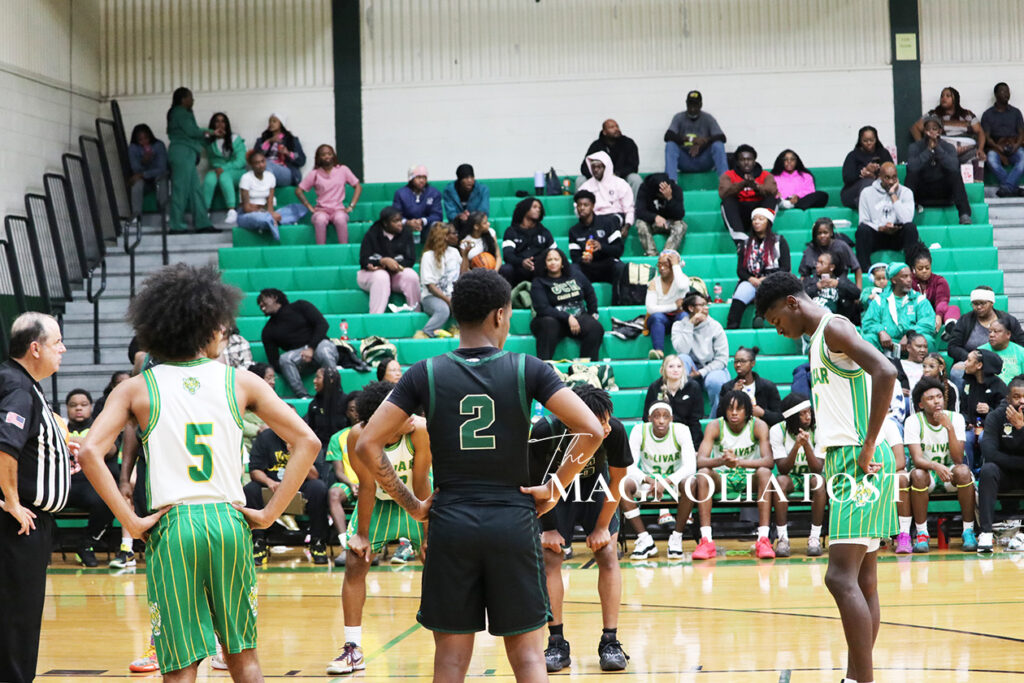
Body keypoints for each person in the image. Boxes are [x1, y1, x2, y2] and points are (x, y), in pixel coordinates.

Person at [352, 268, 605, 682]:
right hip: (513, 521)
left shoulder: (424, 372)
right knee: (528, 657)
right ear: (500, 315)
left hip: (451, 523)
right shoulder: (528, 368)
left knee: (451, 661)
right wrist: (555, 486)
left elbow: (367, 444)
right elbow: (593, 430)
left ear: (456, 314)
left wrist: (413, 505)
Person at [77, 263, 321, 681]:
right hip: (228, 521)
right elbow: (308, 443)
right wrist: (269, 514)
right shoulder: (241, 381)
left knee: (180, 664)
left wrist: (130, 522)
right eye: (221, 326)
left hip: (172, 525)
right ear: (205, 327)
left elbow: (88, 453)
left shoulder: (136, 387)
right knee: (243, 656)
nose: (224, 333)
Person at [755, 271, 898, 683]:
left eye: (776, 320)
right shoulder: (818, 339)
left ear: (792, 303)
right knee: (863, 580)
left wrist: (869, 443)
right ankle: (855, 677)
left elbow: (886, 371)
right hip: (844, 459)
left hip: (860, 459)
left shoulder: (834, 327)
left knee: (838, 577)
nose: (778, 330)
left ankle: (860, 680)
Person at [325, 381, 432, 675]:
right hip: (379, 504)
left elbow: (421, 481)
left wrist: (428, 533)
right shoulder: (358, 436)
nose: (411, 415)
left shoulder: (420, 430)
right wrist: (361, 535)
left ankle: (448, 640)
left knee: (437, 560)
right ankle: (352, 649)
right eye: (403, 411)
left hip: (417, 500)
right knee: (355, 562)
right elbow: (367, 487)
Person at [529, 385, 632, 673]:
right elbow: (534, 483)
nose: (606, 428)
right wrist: (549, 528)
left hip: (595, 488)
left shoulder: (614, 430)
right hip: (553, 491)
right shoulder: (545, 431)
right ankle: (556, 643)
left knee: (608, 553)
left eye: (607, 419)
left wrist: (602, 526)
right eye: (600, 422)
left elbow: (617, 481)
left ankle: (610, 642)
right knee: (551, 557)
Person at [0, 313, 70, 683]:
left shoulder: (23, 383)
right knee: (18, 618)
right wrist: (12, 501)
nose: (63, 349)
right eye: (57, 342)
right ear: (35, 348)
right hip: (18, 524)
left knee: (20, 616)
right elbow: (5, 446)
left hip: (29, 523)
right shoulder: (18, 387)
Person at [691, 390, 776, 559]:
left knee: (765, 473)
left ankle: (763, 539)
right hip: (722, 478)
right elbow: (700, 460)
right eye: (730, 408)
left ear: (747, 411)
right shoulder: (715, 426)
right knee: (703, 473)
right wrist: (722, 461)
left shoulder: (759, 426)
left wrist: (738, 462)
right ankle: (706, 540)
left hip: (749, 478)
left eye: (739, 409)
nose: (734, 413)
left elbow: (768, 461)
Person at [905, 377, 977, 553]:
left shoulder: (956, 418)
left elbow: (958, 459)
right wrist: (935, 466)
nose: (936, 401)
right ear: (921, 404)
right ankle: (922, 534)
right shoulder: (913, 421)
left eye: (939, 397)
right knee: (917, 475)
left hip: (950, 473)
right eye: (930, 398)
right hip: (927, 473)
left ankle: (968, 531)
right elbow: (917, 460)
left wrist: (949, 428)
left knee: (963, 471)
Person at [243, 423, 330, 564]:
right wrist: (269, 482)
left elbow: (315, 476)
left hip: (300, 486)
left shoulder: (307, 438)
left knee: (318, 488)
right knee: (250, 489)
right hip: (271, 487)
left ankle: (317, 541)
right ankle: (258, 542)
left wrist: (297, 453)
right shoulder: (265, 437)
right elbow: (255, 471)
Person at [621, 402, 697, 560]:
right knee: (623, 485)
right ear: (649, 419)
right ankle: (644, 539)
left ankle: (676, 538)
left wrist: (666, 482)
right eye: (657, 416)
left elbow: (691, 466)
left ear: (671, 419)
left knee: (690, 483)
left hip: (673, 482)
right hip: (649, 482)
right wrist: (649, 480)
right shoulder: (639, 430)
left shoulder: (681, 430)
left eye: (665, 416)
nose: (661, 421)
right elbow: (629, 465)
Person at [63, 389, 117, 567]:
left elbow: (111, 450)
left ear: (91, 407)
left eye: (83, 405)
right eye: (73, 405)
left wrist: (80, 442)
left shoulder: (99, 427)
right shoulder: (59, 428)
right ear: (67, 408)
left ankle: (86, 544)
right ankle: (45, 545)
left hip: (90, 484)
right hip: (63, 484)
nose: (78, 408)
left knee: (108, 501)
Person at [769, 392, 825, 557]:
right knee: (780, 481)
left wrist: (806, 445)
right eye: (802, 413)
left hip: (811, 477)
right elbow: (783, 469)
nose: (808, 416)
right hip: (791, 478)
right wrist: (796, 447)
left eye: (809, 411)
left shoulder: (819, 429)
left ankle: (814, 537)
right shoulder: (777, 430)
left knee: (819, 481)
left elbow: (817, 469)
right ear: (792, 417)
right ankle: (783, 538)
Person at [257, 288, 339, 399]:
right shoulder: (268, 330)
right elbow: (274, 361)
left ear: (274, 297)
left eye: (263, 300)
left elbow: (322, 324)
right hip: (299, 359)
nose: (261, 305)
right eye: (259, 304)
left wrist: (311, 348)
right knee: (284, 359)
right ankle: (303, 395)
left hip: (319, 345)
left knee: (324, 350)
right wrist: (293, 369)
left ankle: (334, 390)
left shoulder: (300, 306)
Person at [530, 248, 603, 361]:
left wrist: (593, 311)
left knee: (596, 328)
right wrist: (567, 317)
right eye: (549, 260)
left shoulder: (576, 275)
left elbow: (590, 292)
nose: (553, 262)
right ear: (544, 264)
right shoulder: (538, 282)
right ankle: (544, 365)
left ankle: (585, 366)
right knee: (548, 324)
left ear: (562, 262)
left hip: (578, 316)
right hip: (553, 320)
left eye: (556, 259)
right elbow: (542, 308)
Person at [978, 376, 1024, 552]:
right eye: (1017, 397)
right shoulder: (995, 417)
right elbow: (989, 454)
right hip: (1003, 474)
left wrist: (1021, 428)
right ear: (1008, 399)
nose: (1022, 401)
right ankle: (986, 533)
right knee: (987, 470)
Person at [671, 291, 730, 418]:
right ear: (691, 308)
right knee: (681, 359)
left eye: (706, 304)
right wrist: (690, 325)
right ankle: (682, 416)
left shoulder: (715, 326)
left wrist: (701, 372)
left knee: (716, 381)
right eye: (702, 305)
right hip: (690, 369)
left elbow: (722, 359)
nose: (706, 308)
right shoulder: (678, 326)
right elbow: (683, 350)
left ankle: (715, 420)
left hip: (712, 369)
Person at [727, 207, 789, 329]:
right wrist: (751, 279)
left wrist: (765, 279)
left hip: (773, 279)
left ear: (768, 222)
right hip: (752, 280)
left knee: (768, 290)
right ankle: (732, 327)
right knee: (739, 296)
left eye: (761, 219)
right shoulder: (745, 244)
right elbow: (740, 270)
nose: (756, 222)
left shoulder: (779, 241)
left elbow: (785, 267)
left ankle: (759, 317)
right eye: (754, 219)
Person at [905, 115, 972, 224]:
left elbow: (954, 166)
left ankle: (964, 214)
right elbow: (911, 167)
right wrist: (928, 151)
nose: (931, 132)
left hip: (943, 192)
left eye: (934, 129)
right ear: (924, 131)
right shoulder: (915, 147)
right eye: (928, 129)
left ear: (940, 131)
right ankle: (905, 217)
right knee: (911, 174)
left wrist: (937, 148)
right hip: (922, 193)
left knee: (955, 174)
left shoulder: (948, 147)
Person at [165, 87, 214, 233]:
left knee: (195, 190)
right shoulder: (180, 112)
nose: (193, 100)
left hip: (186, 153)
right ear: (183, 99)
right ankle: (176, 225)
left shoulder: (180, 112)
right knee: (180, 189)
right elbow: (192, 131)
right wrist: (211, 132)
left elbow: (192, 132)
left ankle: (202, 223)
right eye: (190, 97)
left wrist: (209, 134)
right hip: (182, 152)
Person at [947, 286, 1024, 378]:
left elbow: (1021, 342)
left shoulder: (1009, 320)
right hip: (973, 363)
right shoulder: (965, 320)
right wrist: (971, 358)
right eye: (975, 304)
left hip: (1006, 359)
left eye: (983, 303)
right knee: (957, 371)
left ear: (992, 303)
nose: (979, 307)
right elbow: (953, 347)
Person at [861, 262, 936, 357]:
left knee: (927, 340)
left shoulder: (919, 299)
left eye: (910, 276)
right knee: (868, 339)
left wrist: (910, 335)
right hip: (886, 344)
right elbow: (869, 322)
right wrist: (881, 331)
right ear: (893, 280)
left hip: (911, 343)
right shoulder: (880, 299)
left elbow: (927, 323)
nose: (909, 280)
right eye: (904, 277)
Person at [854, 162, 919, 270]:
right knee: (862, 230)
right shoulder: (866, 193)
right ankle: (864, 270)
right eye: (887, 178)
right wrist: (880, 227)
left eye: (894, 177)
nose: (891, 181)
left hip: (896, 235)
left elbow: (907, 219)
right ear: (880, 177)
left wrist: (893, 194)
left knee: (911, 228)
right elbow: (863, 221)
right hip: (877, 234)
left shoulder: (906, 192)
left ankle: (911, 269)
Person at [357, 206, 421, 315]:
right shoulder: (372, 234)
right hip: (372, 275)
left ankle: (416, 312)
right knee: (381, 276)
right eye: (395, 221)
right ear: (385, 223)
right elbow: (363, 260)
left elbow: (410, 260)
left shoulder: (406, 233)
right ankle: (376, 317)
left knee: (411, 275)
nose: (400, 224)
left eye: (400, 220)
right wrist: (382, 262)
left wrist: (392, 265)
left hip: (395, 274)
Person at [296, 144, 362, 245]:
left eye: (329, 154)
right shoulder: (315, 173)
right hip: (321, 210)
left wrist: (351, 206)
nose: (327, 156)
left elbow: (358, 186)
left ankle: (344, 249)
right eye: (323, 155)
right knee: (320, 220)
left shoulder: (343, 170)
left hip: (338, 209)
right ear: (318, 158)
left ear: (333, 155)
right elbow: (299, 190)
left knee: (340, 219)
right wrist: (308, 206)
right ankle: (321, 250)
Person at [236, 150, 308, 241]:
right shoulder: (246, 178)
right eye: (257, 163)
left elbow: (270, 206)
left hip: (265, 212)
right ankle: (275, 226)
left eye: (262, 161)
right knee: (260, 218)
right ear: (251, 165)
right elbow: (247, 208)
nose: (261, 165)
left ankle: (271, 222)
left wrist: (270, 213)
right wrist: (265, 211)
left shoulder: (270, 177)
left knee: (300, 209)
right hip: (248, 215)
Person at [324, 391, 361, 567]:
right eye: (352, 409)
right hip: (348, 483)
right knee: (333, 493)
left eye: (359, 408)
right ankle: (345, 544)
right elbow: (338, 471)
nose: (356, 413)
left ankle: (369, 544)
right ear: (347, 412)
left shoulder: (376, 433)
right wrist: (351, 484)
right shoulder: (337, 438)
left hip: (372, 484)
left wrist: (366, 484)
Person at [417, 223, 469, 338]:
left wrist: (465, 255)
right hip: (431, 297)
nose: (457, 235)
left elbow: (464, 275)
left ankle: (459, 332)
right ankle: (426, 333)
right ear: (445, 236)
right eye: (454, 233)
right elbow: (431, 286)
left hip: (452, 295)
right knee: (443, 310)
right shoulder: (428, 256)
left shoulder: (454, 252)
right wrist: (448, 301)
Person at [910, 86, 987, 164]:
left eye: (948, 96)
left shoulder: (967, 114)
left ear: (955, 99)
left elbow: (980, 132)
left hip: (968, 150)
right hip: (944, 151)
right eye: (942, 96)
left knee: (979, 157)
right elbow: (914, 128)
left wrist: (980, 149)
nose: (944, 98)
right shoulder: (933, 114)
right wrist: (923, 146)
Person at [719, 144, 778, 244]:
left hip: (757, 215)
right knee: (727, 201)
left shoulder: (765, 175)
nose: (746, 162)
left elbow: (772, 190)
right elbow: (723, 193)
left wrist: (755, 186)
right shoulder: (728, 175)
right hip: (739, 217)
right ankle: (740, 241)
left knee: (771, 199)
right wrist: (742, 184)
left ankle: (758, 238)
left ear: (754, 161)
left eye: (749, 159)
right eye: (742, 160)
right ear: (737, 162)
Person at [960, 349, 1007, 472]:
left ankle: (984, 472)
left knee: (983, 438)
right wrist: (966, 421)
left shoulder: (999, 386)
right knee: (965, 438)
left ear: (979, 365)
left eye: (969, 360)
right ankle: (967, 474)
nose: (965, 363)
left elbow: (1005, 412)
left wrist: (989, 410)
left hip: (991, 428)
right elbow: (962, 409)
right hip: (971, 427)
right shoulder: (967, 384)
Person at [663, 90, 728, 177]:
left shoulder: (708, 118)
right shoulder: (678, 117)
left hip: (704, 161)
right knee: (670, 145)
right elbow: (668, 136)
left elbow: (722, 137)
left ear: (701, 105)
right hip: (685, 161)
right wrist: (691, 140)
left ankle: (725, 180)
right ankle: (671, 182)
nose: (692, 108)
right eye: (690, 105)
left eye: (695, 105)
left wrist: (703, 142)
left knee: (718, 145)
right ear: (686, 104)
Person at [643, 354, 703, 445]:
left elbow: (695, 420)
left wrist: (694, 446)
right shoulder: (655, 387)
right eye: (671, 366)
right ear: (663, 369)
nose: (675, 370)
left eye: (679, 366)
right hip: (661, 435)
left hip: (687, 435)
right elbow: (647, 418)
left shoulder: (693, 387)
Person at [568, 189, 625, 285]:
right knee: (573, 269)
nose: (582, 208)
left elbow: (619, 250)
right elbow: (574, 257)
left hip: (606, 265)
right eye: (579, 205)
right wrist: (583, 260)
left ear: (593, 206)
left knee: (620, 267)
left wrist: (602, 247)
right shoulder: (574, 231)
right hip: (587, 268)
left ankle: (618, 296)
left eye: (586, 205)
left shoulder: (608, 223)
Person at [718, 346, 783, 425]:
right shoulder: (727, 387)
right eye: (736, 361)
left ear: (753, 363)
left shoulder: (768, 386)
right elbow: (719, 416)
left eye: (742, 361)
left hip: (763, 429)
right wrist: (732, 395)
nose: (738, 364)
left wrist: (763, 413)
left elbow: (779, 418)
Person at [499, 197, 555, 286]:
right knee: (506, 269)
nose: (538, 210)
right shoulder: (511, 231)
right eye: (535, 207)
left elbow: (555, 252)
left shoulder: (545, 232)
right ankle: (507, 294)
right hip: (518, 268)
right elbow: (508, 255)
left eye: (539, 208)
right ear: (525, 209)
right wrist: (522, 262)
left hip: (539, 269)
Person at [577, 119, 642, 196]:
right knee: (580, 180)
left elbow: (633, 166)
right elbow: (584, 167)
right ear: (604, 132)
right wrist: (600, 176)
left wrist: (617, 174)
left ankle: (637, 204)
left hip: (621, 177)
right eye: (612, 127)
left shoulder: (628, 143)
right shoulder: (596, 145)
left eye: (617, 126)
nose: (616, 129)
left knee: (635, 179)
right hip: (600, 179)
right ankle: (581, 203)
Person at [202, 112, 247, 224]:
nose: (220, 124)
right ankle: (205, 211)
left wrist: (224, 168)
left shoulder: (235, 139)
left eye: (223, 121)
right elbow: (197, 136)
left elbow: (241, 161)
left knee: (224, 176)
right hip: (217, 170)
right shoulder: (209, 142)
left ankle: (232, 210)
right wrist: (210, 133)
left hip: (236, 171)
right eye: (217, 121)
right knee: (209, 178)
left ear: (227, 124)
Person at [645, 250, 690, 359]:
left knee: (684, 317)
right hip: (661, 320)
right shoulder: (654, 283)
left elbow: (682, 286)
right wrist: (674, 306)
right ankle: (658, 352)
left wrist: (676, 265)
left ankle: (684, 353)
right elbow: (650, 308)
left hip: (678, 316)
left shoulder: (683, 279)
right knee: (657, 317)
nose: (661, 268)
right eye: (659, 264)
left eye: (666, 264)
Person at [981, 82, 1024, 197]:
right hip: (996, 147)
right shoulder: (988, 114)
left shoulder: (1016, 112)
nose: (1006, 94)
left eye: (1008, 91)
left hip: (1014, 146)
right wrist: (997, 147)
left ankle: (1007, 187)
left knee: (1023, 159)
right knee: (991, 160)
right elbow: (987, 137)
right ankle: (1014, 189)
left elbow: (1021, 133)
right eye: (1003, 91)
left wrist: (1016, 145)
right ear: (996, 94)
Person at [909, 246, 960, 341]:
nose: (924, 271)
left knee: (953, 308)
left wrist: (939, 315)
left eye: (927, 268)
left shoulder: (939, 281)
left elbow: (942, 300)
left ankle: (950, 329)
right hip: (915, 314)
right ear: (914, 269)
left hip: (935, 314)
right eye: (920, 268)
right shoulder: (909, 281)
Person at [798, 217, 863, 288]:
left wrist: (859, 290)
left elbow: (857, 268)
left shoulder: (842, 246)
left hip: (841, 286)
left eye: (825, 232)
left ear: (831, 232)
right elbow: (803, 276)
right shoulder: (811, 249)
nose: (822, 236)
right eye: (819, 233)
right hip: (818, 287)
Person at [840, 125, 894, 210]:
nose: (869, 143)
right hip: (854, 192)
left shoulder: (883, 153)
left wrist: (875, 176)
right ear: (860, 141)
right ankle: (866, 208)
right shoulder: (853, 155)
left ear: (876, 139)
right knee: (868, 182)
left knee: (874, 183)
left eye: (871, 140)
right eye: (865, 141)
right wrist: (863, 172)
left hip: (881, 188)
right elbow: (847, 178)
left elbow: (892, 174)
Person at [578, 151, 635, 232]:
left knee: (610, 222)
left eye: (599, 167)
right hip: (595, 218)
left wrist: (626, 227)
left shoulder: (620, 184)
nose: (596, 170)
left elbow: (629, 209)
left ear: (606, 167)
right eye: (593, 167)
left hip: (615, 216)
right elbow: (578, 207)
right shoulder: (586, 186)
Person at [634, 172, 686, 256]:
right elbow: (639, 211)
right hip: (651, 223)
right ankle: (651, 254)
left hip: (669, 222)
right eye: (661, 194)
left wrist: (669, 198)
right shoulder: (645, 188)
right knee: (640, 224)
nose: (662, 196)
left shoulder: (676, 189)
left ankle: (667, 254)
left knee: (681, 225)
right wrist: (655, 217)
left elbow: (679, 215)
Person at [393, 165, 443, 244]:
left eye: (424, 177)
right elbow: (395, 214)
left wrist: (422, 221)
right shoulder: (400, 193)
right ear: (411, 178)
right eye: (418, 177)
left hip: (427, 226)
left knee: (437, 226)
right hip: (406, 227)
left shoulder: (434, 193)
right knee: (394, 224)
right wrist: (407, 222)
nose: (422, 180)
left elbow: (437, 215)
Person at [804, 252, 861, 320]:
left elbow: (857, 293)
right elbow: (800, 296)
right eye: (817, 262)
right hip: (812, 312)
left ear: (831, 267)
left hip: (832, 317)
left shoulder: (841, 280)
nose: (817, 265)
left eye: (821, 263)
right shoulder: (811, 280)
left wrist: (838, 284)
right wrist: (817, 287)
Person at [128, 123, 169, 216]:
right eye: (140, 140)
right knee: (136, 185)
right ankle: (137, 216)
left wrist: (143, 174)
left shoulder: (158, 145)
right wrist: (143, 162)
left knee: (162, 181)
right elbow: (135, 169)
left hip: (158, 177)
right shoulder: (133, 148)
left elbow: (162, 169)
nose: (144, 142)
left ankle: (165, 214)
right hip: (144, 181)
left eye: (146, 138)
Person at [254, 113, 306, 186]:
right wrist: (268, 141)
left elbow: (301, 160)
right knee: (263, 165)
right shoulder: (262, 140)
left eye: (274, 121)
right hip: (265, 169)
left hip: (285, 171)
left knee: (266, 164)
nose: (271, 123)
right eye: (270, 121)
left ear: (281, 124)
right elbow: (254, 158)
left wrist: (288, 153)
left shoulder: (291, 140)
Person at [304, 368, 349, 447]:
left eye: (318, 377)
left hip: (343, 447)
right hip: (321, 448)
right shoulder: (314, 404)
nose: (314, 381)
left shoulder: (346, 402)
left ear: (331, 380)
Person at [442, 164, 490, 234]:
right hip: (457, 225)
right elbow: (450, 213)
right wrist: (459, 216)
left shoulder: (482, 190)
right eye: (466, 178)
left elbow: (484, 211)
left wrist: (470, 218)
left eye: (472, 177)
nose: (469, 180)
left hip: (477, 225)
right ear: (459, 179)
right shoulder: (449, 190)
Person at [978, 316, 1024, 384]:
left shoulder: (1021, 352)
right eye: (990, 332)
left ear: (1008, 334)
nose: (991, 335)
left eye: (996, 332)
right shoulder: (980, 351)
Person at [893, 331, 929, 401]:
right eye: (919, 346)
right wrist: (897, 391)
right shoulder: (897, 365)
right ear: (908, 347)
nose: (923, 350)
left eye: (925, 347)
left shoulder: (930, 367)